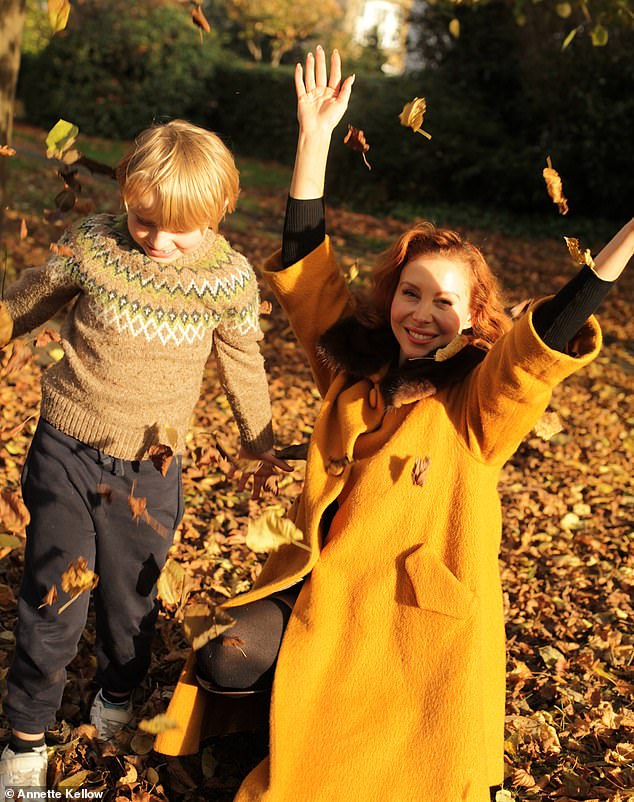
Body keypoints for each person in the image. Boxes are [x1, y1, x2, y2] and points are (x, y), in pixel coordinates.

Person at [156, 51, 633, 800]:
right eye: (412, 294)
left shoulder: (478, 405)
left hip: (407, 611)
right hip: (322, 579)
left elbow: (541, 346)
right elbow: (310, 272)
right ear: (392, 297)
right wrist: (314, 137)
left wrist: (623, 244)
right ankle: (260, 730)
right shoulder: (354, 363)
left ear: (475, 318)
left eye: (445, 302)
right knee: (225, 659)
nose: (422, 314)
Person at [0, 119, 290, 793]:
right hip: (67, 453)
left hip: (149, 472)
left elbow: (244, 362)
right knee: (53, 597)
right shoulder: (94, 244)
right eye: (143, 220)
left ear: (220, 210)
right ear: (126, 198)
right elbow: (33, 294)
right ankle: (24, 737)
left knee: (131, 606)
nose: (157, 241)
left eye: (176, 228)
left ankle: (117, 697)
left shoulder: (227, 279)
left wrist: (261, 442)